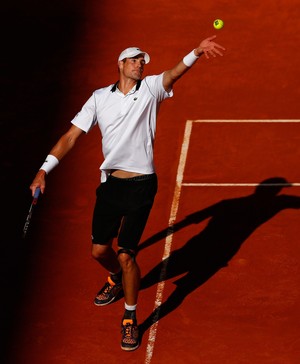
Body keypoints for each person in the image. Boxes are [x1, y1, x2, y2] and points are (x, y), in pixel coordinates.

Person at [29, 35, 225, 351]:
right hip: (111, 185)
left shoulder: (150, 90)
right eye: (134, 59)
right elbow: (70, 136)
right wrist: (43, 170)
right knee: (98, 251)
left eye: (142, 60)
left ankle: (130, 318)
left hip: (142, 185)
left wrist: (196, 52)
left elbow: (173, 73)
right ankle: (117, 277)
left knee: (126, 252)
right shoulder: (98, 99)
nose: (140, 63)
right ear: (120, 64)